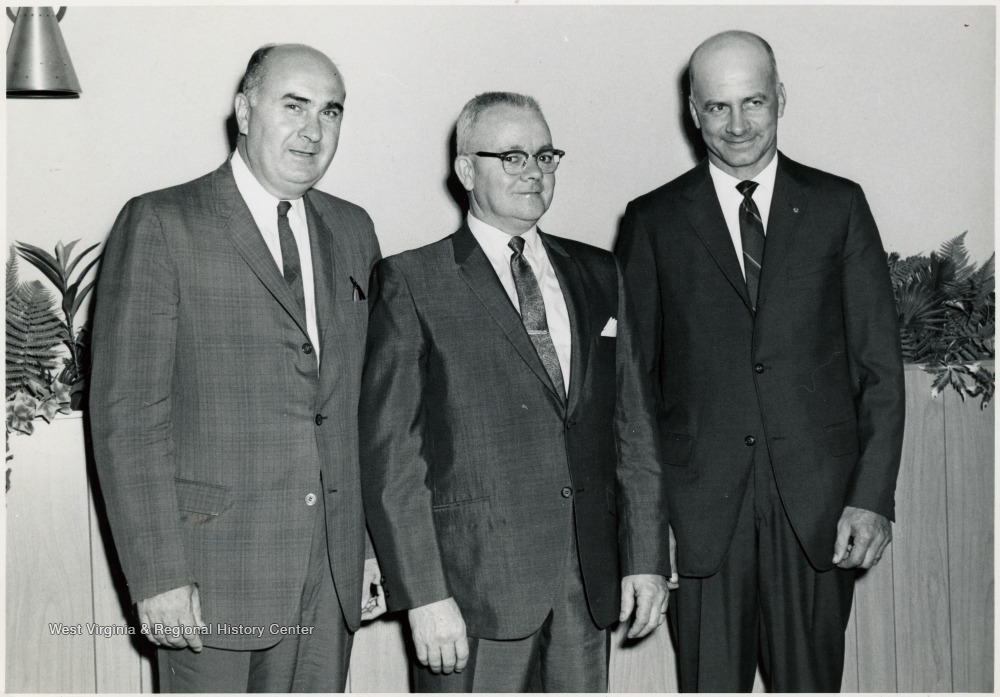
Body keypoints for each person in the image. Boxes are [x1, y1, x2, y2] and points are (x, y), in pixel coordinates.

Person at [614, 30, 905, 692]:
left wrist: (871, 497)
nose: (738, 125)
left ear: (781, 98)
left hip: (820, 516)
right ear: (693, 110)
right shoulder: (653, 222)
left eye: (754, 102)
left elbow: (880, 372)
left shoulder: (840, 207)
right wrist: (648, 532)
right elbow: (635, 390)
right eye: (718, 107)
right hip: (702, 518)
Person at [90, 43, 385, 692]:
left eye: (331, 111)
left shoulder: (355, 231)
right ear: (245, 110)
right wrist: (157, 574)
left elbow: (356, 410)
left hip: (326, 575)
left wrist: (362, 548)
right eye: (294, 105)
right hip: (207, 576)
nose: (313, 129)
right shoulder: (163, 222)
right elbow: (128, 420)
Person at [359, 92, 672, 692]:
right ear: (466, 170)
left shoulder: (600, 273)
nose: (533, 171)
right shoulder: (412, 280)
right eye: (511, 156)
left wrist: (646, 561)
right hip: (471, 594)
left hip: (586, 586)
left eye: (545, 155)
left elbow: (634, 429)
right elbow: (392, 456)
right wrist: (423, 595)